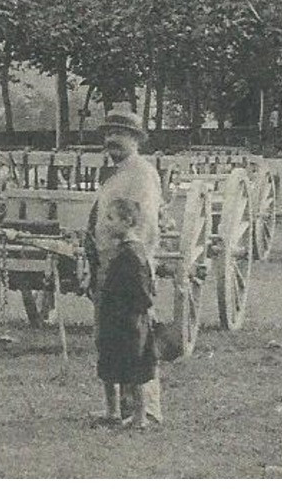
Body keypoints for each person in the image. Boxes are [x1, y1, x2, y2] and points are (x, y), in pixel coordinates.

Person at [88, 111, 165, 426]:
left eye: (120, 133)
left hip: (129, 266)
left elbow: (141, 222)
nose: (112, 140)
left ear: (135, 139)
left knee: (136, 344)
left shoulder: (142, 174)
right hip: (108, 264)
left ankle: (146, 411)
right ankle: (116, 409)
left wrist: (129, 259)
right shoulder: (117, 173)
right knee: (109, 341)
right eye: (108, 133)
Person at [94, 197, 157, 430]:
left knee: (134, 369)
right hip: (114, 318)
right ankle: (112, 412)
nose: (106, 223)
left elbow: (142, 291)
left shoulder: (132, 254)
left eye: (111, 218)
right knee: (108, 364)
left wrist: (138, 312)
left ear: (127, 221)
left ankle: (140, 417)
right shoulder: (123, 250)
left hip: (128, 321)